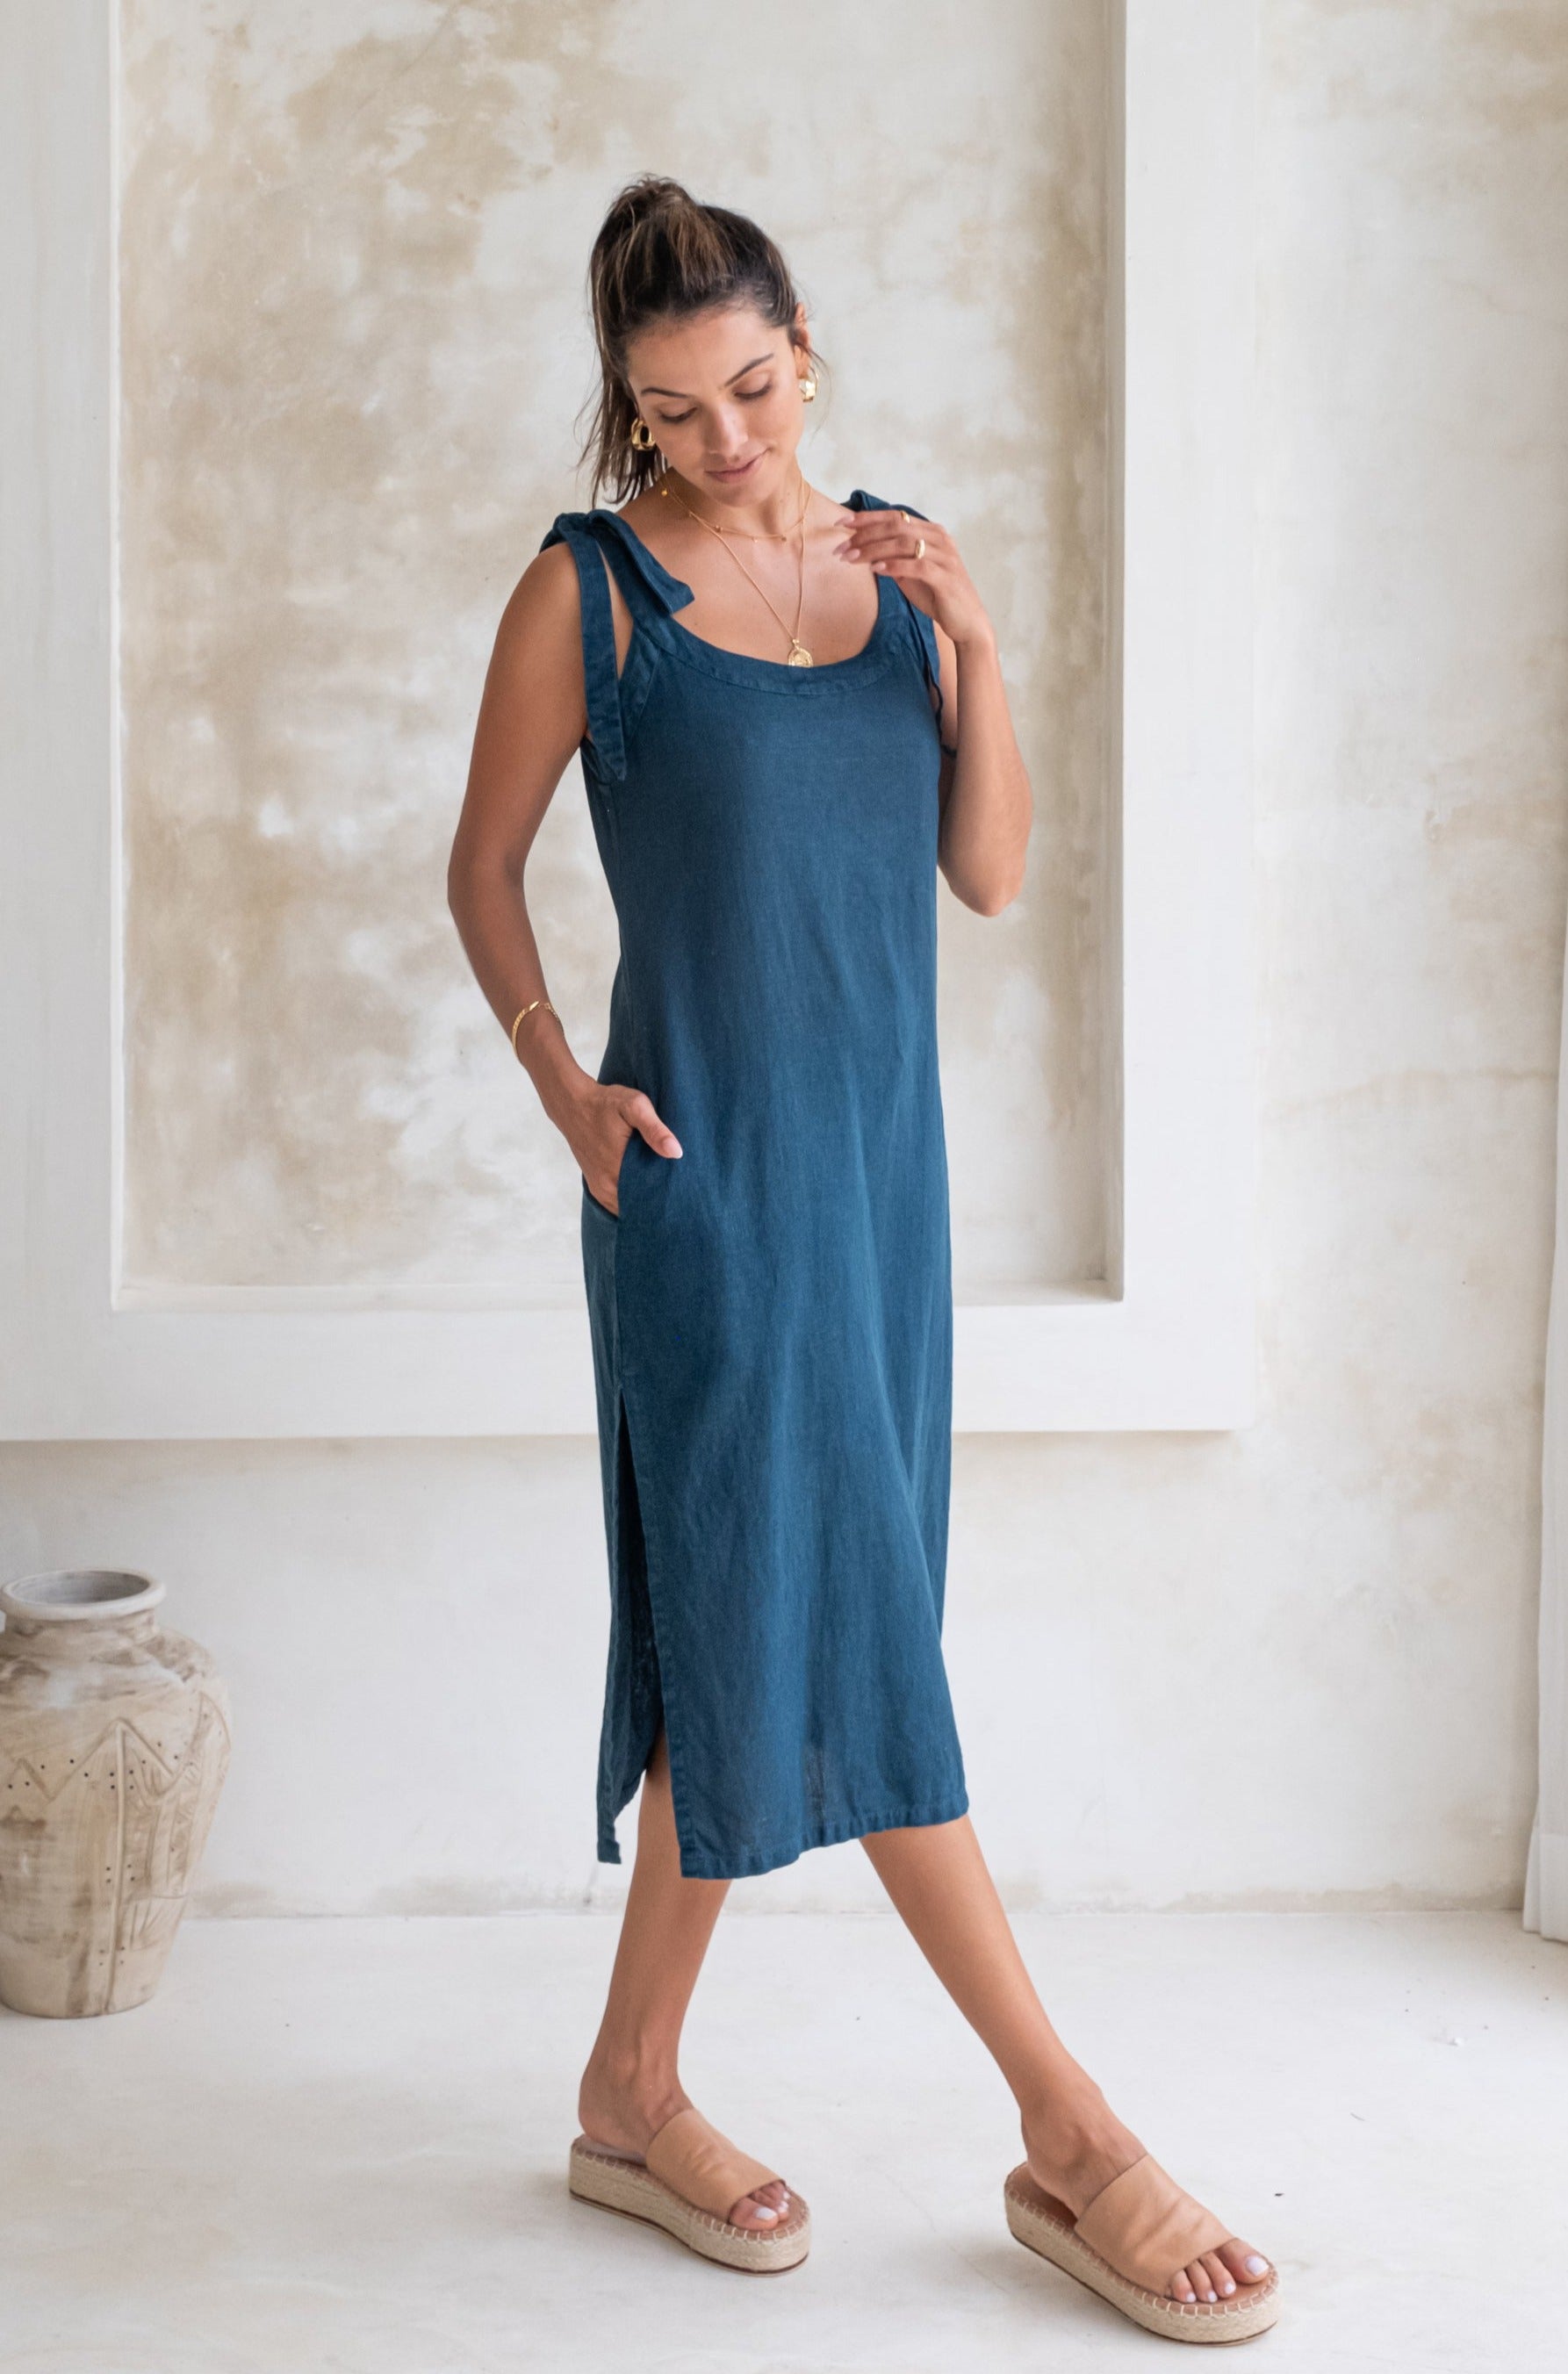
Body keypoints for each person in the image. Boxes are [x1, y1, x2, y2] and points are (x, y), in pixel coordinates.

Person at [447, 175, 1278, 2345]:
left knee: (788, 1606)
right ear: (621, 416)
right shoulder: (593, 592)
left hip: (880, 1198)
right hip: (702, 1189)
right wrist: (567, 1093)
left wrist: (981, 642)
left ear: (800, 349)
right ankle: (1071, 2130)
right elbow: (479, 867)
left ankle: (629, 2094)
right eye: (665, 410)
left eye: (745, 388)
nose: (717, 440)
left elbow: (984, 873)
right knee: (837, 1636)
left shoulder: (899, 575)